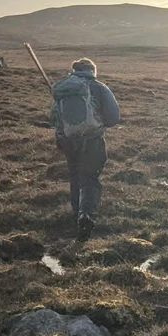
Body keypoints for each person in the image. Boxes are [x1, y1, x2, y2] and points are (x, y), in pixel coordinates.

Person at [49, 58, 121, 241]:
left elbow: (53, 117)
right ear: (92, 71)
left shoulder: (63, 89)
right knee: (89, 178)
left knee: (75, 177)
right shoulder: (99, 87)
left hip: (67, 141)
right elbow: (113, 118)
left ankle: (76, 215)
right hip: (92, 140)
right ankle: (86, 216)